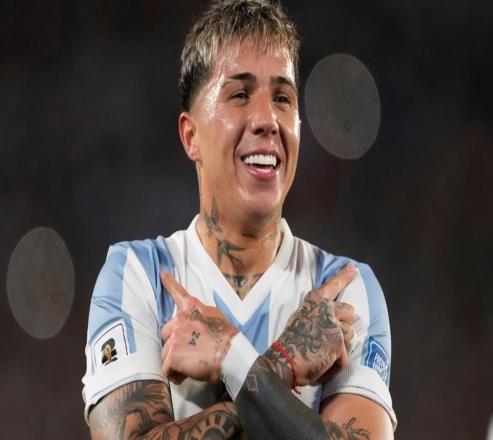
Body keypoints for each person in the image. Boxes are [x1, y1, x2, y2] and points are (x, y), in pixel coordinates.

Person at [82, 0, 396, 438]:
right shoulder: (137, 276)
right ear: (190, 135)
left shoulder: (345, 290)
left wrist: (230, 357)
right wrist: (282, 363)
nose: (267, 119)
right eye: (240, 94)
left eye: (283, 98)